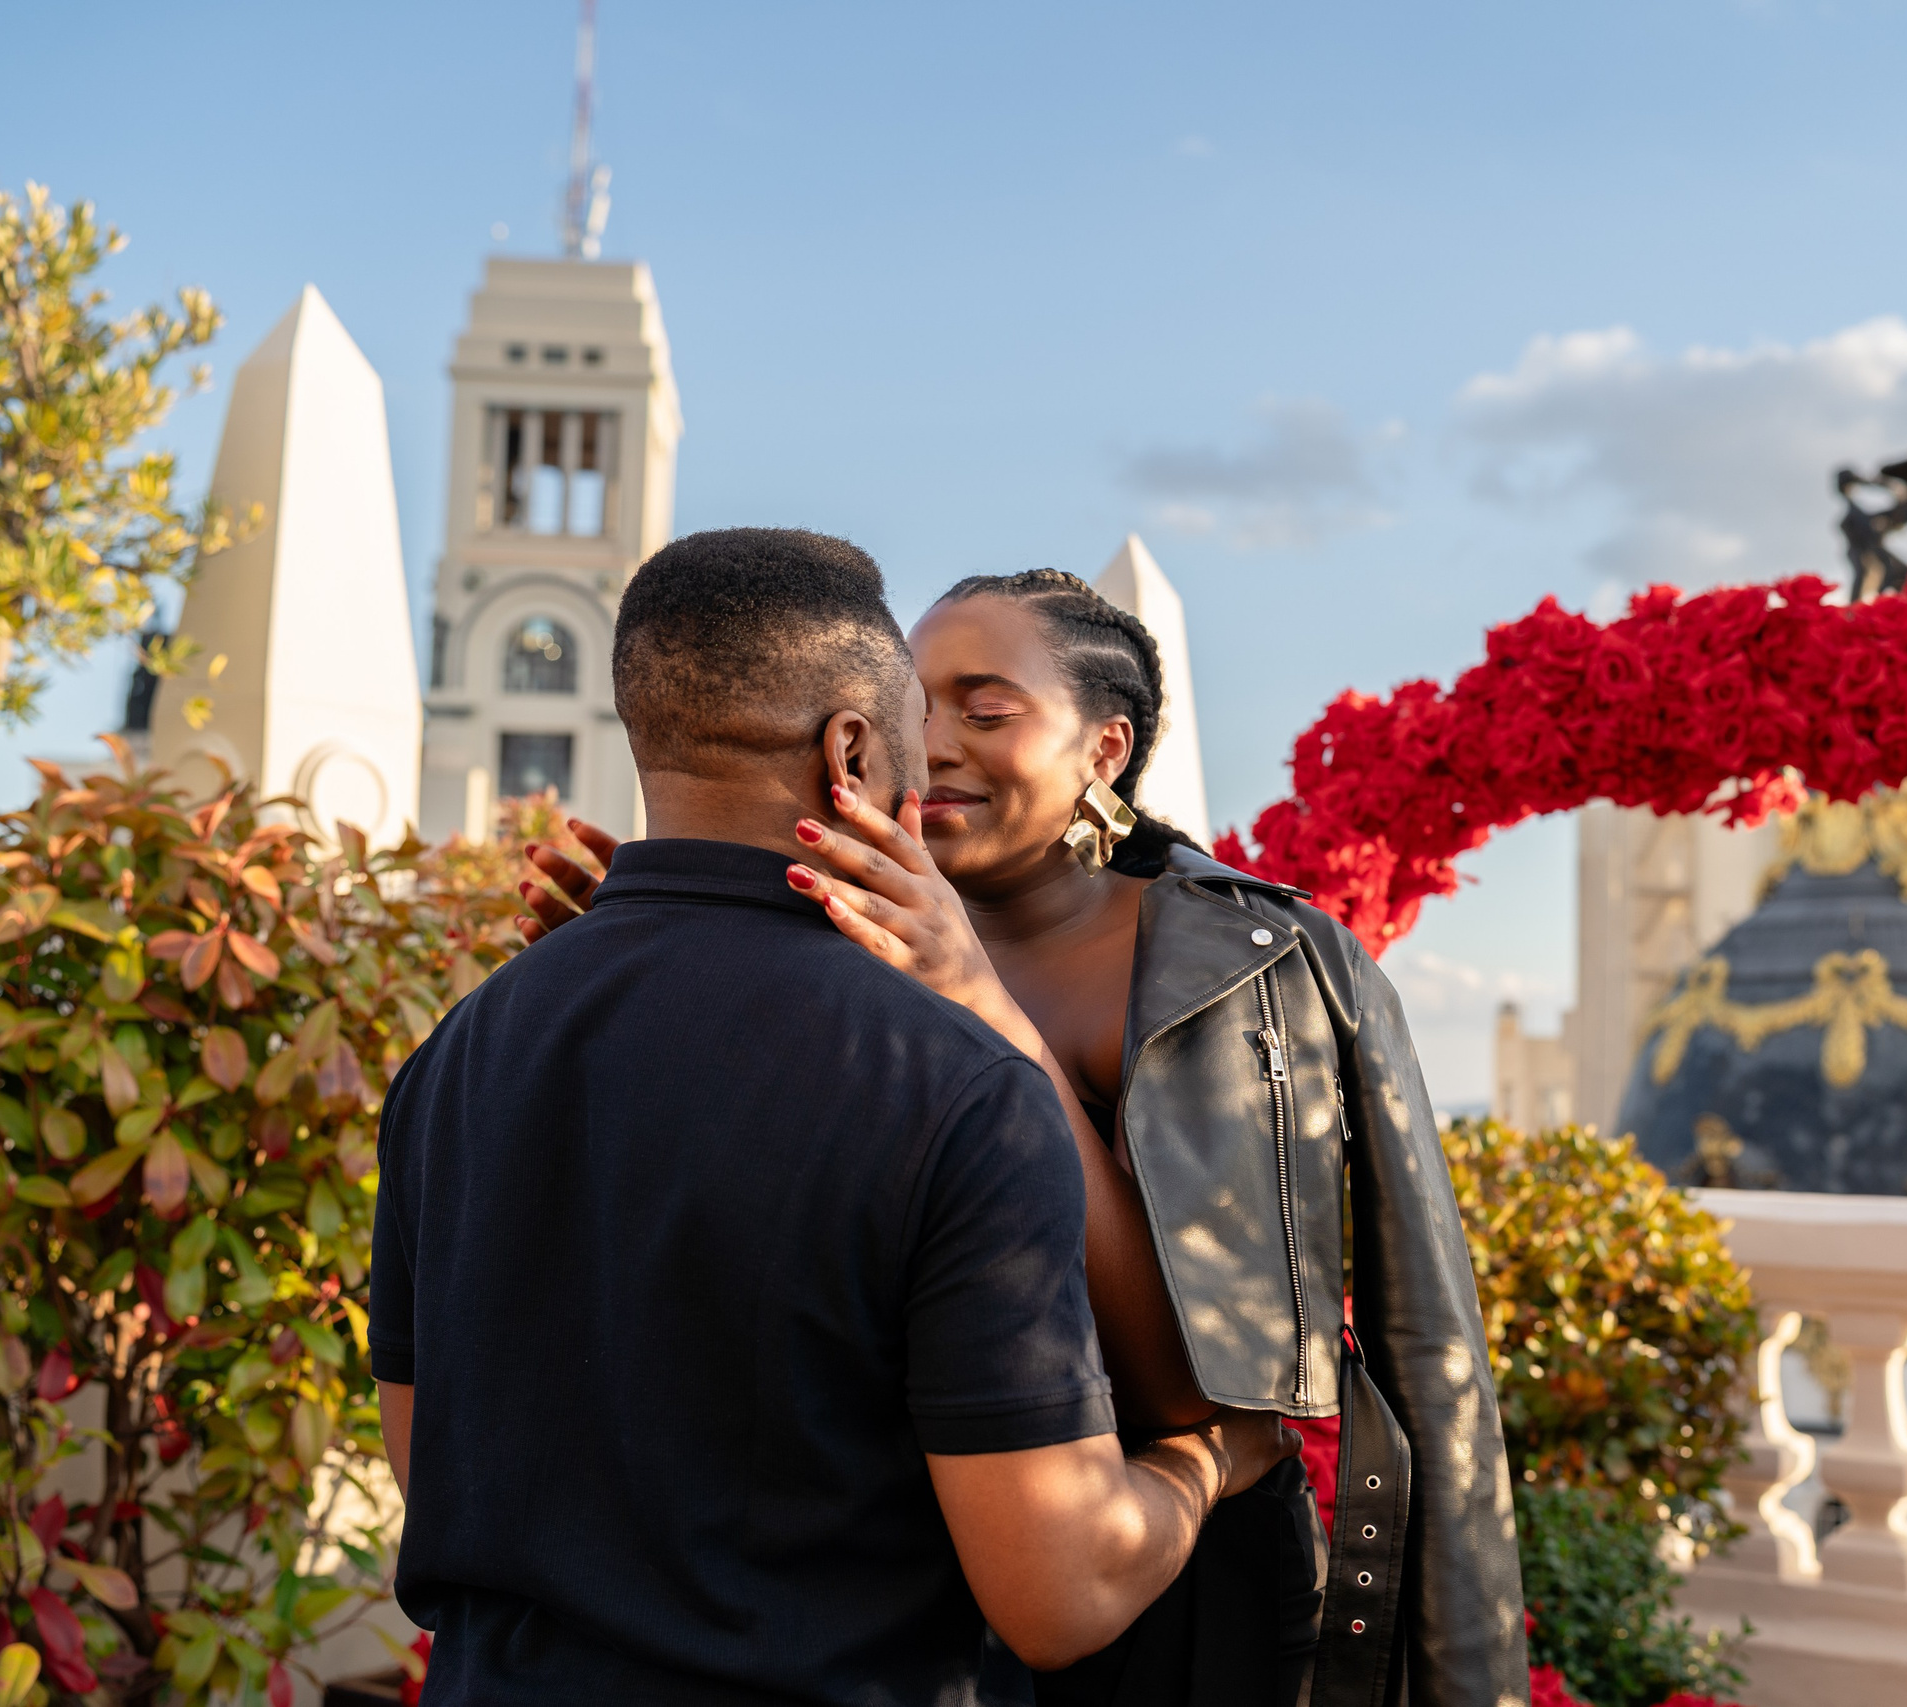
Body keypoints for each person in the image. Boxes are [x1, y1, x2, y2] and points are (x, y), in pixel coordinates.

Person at [520, 569, 1529, 1707]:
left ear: (1105, 750)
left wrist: (980, 1010)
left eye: (985, 712)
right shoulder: (834, 935)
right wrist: (665, 961)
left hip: (1158, 1583)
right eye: (912, 709)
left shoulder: (1243, 965)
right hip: (879, 1575)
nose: (935, 744)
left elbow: (1213, 1385)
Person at [371, 530, 1299, 1706]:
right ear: (850, 750)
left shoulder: (457, 1056)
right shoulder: (954, 1085)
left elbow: (433, 1466)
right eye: (919, 716)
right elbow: (1055, 1595)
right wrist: (1209, 1455)